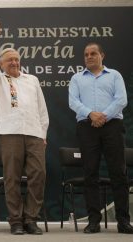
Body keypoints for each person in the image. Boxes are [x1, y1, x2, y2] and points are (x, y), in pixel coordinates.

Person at [0, 15, 49, 235]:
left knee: (38, 174)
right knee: (11, 177)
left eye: (16, 59)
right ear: (2, 64)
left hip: (34, 133)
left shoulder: (32, 80)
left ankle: (31, 218)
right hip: (10, 133)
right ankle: (16, 221)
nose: (13, 62)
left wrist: (43, 134)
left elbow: (42, 110)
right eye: (9, 60)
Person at [69, 42, 133, 234]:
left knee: (118, 173)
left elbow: (121, 100)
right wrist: (91, 115)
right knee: (90, 174)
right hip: (87, 127)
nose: (89, 56)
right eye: (86, 54)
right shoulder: (76, 78)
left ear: (102, 55)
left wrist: (102, 116)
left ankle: (123, 221)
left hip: (112, 125)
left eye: (93, 53)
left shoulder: (114, 76)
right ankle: (94, 221)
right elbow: (73, 102)